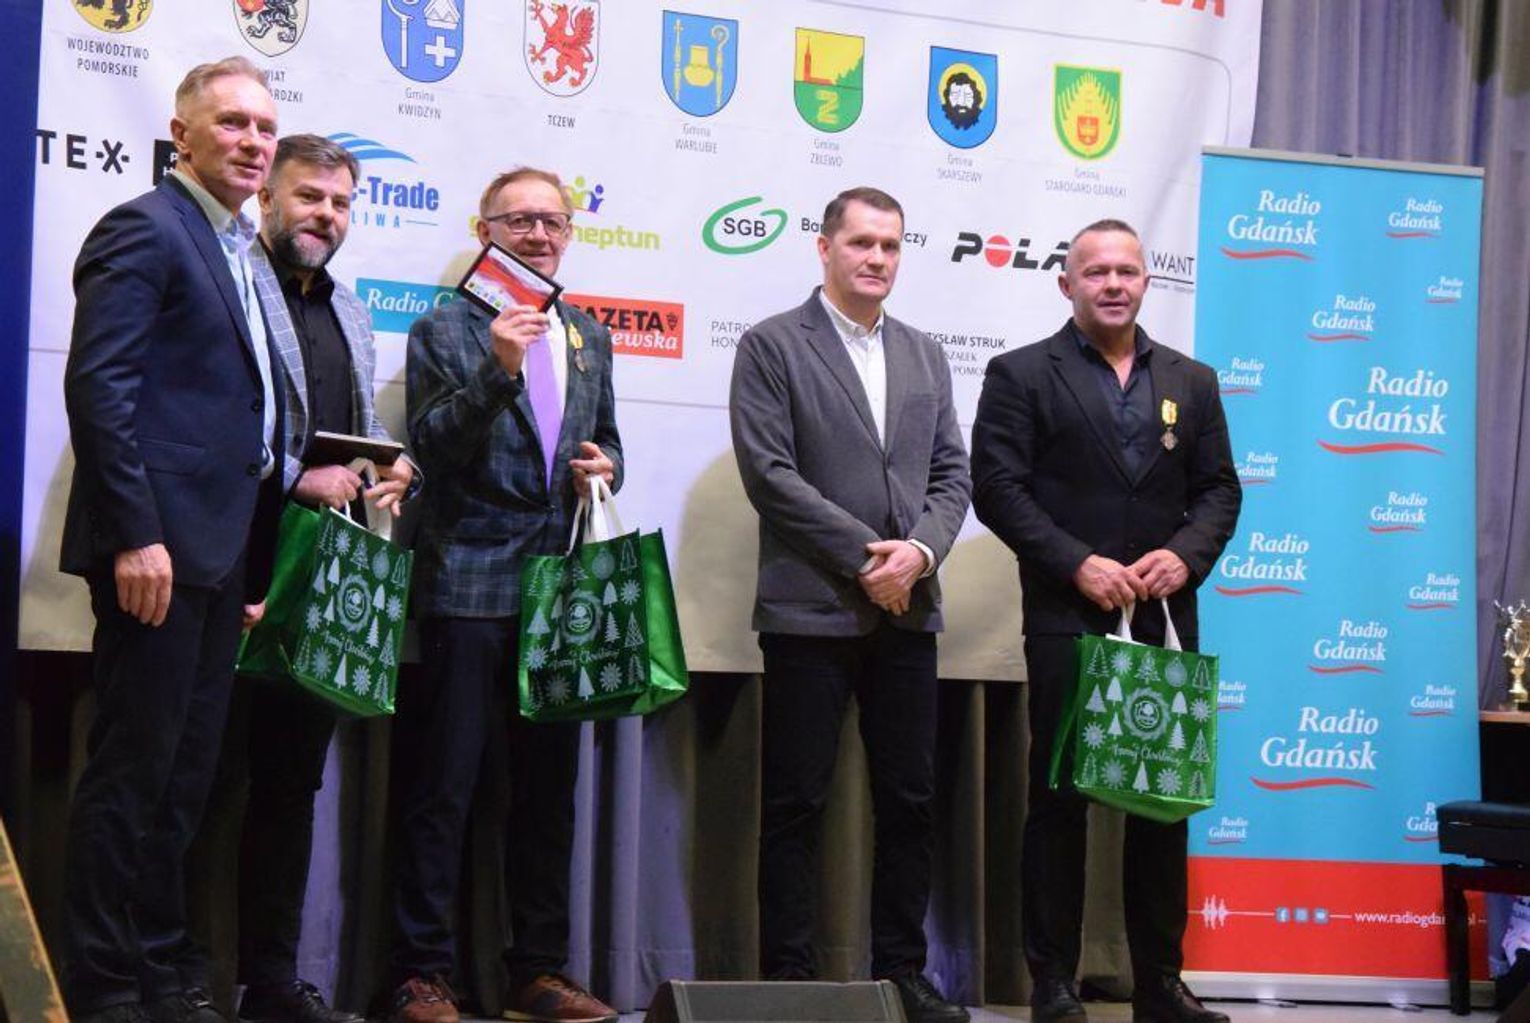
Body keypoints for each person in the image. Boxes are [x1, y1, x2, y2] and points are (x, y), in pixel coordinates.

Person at [969, 220, 1241, 1023]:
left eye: (1127, 270)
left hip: (1163, 617)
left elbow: (1220, 489)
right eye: (1096, 272)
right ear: (1067, 284)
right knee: (1059, 800)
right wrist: (1075, 561)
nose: (1113, 283)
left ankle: (1160, 982)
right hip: (1068, 614)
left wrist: (1185, 556)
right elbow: (997, 487)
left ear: (1147, 281)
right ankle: (1053, 981)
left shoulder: (1193, 380)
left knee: (1163, 804)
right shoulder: (1021, 373)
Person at [59, 57, 284, 1023]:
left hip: (218, 557)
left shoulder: (239, 246)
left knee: (184, 782)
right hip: (154, 554)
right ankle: (104, 986)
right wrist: (135, 534)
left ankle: (158, 975)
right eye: (231, 123)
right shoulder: (145, 227)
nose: (253, 141)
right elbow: (99, 389)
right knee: (133, 776)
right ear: (181, 134)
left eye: (265, 127)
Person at [728, 187, 972, 1023]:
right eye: (862, 242)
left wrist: (920, 552)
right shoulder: (771, 345)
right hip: (810, 610)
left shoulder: (925, 353)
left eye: (891, 245)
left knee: (910, 801)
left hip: (910, 609)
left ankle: (902, 973)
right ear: (824, 247)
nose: (877, 258)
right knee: (795, 802)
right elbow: (770, 475)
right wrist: (870, 557)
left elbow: (952, 472)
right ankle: (788, 979)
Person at [386, 167, 620, 1023]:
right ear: (484, 230)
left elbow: (609, 441)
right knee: (443, 788)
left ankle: (539, 970)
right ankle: (420, 972)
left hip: (561, 592)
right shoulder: (445, 327)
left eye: (552, 221)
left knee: (548, 795)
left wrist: (606, 464)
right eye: (519, 221)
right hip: (468, 581)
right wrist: (499, 369)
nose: (538, 235)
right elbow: (432, 446)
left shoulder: (589, 333)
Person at [197, 132, 418, 1023]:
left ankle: (270, 984)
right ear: (267, 199)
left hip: (319, 586)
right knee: (203, 785)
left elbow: (356, 433)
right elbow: (208, 423)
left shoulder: (354, 311)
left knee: (292, 790)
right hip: (228, 570)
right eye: (309, 197)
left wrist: (392, 467)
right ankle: (179, 981)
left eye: (340, 202)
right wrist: (295, 479)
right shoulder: (229, 283)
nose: (325, 215)